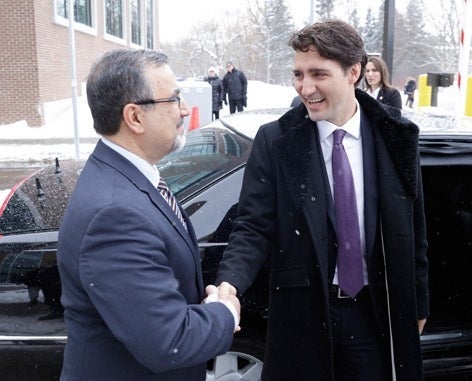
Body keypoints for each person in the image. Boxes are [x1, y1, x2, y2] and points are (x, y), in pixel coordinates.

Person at [216, 19, 429, 381]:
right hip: (305, 313)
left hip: (374, 313)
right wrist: (230, 282)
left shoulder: (395, 136)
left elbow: (415, 227)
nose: (305, 87)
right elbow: (253, 226)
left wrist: (418, 303)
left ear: (353, 72)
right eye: (298, 74)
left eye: (318, 74)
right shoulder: (277, 140)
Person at [57, 49, 240, 381]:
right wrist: (223, 312)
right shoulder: (115, 214)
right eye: (173, 99)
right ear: (135, 117)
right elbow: (168, 341)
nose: (184, 110)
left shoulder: (128, 176)